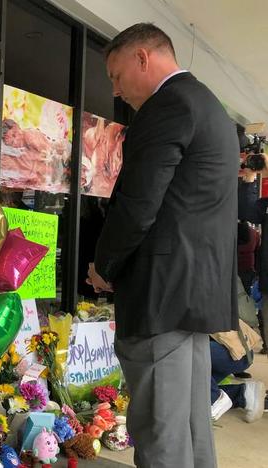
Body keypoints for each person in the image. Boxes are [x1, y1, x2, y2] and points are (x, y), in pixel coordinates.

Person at [86, 23, 238, 468]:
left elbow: (137, 205)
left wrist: (104, 267)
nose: (115, 90)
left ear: (143, 58)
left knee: (160, 432)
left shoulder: (166, 107)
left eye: (116, 75)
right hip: (190, 294)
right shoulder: (206, 105)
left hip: (161, 294)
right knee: (190, 425)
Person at [209, 319, 265, 423]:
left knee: (185, 356)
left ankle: (214, 399)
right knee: (185, 393)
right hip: (233, 350)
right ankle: (245, 393)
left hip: (232, 351)